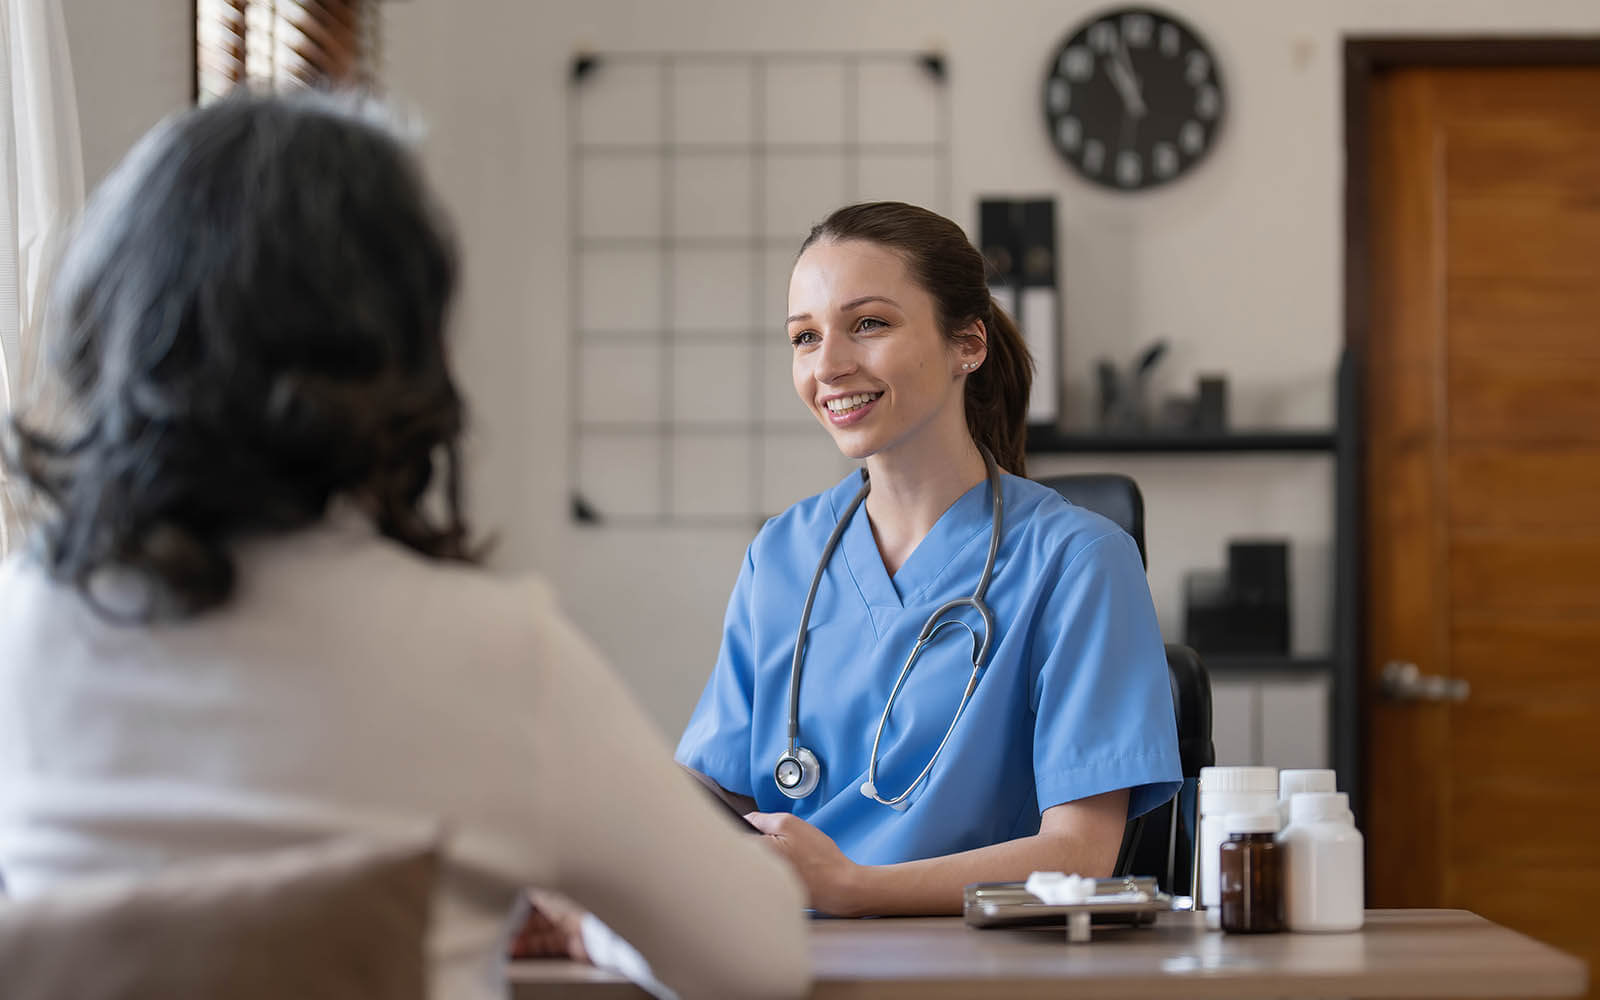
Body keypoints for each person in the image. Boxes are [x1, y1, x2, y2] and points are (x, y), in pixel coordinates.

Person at [0, 93, 808, 1000]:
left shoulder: (22, 621)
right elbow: (758, 959)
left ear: (111, 317)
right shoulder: (494, 651)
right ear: (401, 344)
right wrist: (592, 925)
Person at [676, 201, 1183, 917]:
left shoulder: (1080, 562)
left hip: (978, 967)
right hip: (784, 955)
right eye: (804, 337)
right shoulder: (782, 555)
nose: (829, 366)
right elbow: (715, 792)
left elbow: (1079, 853)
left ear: (967, 344)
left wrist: (851, 889)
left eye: (870, 324)